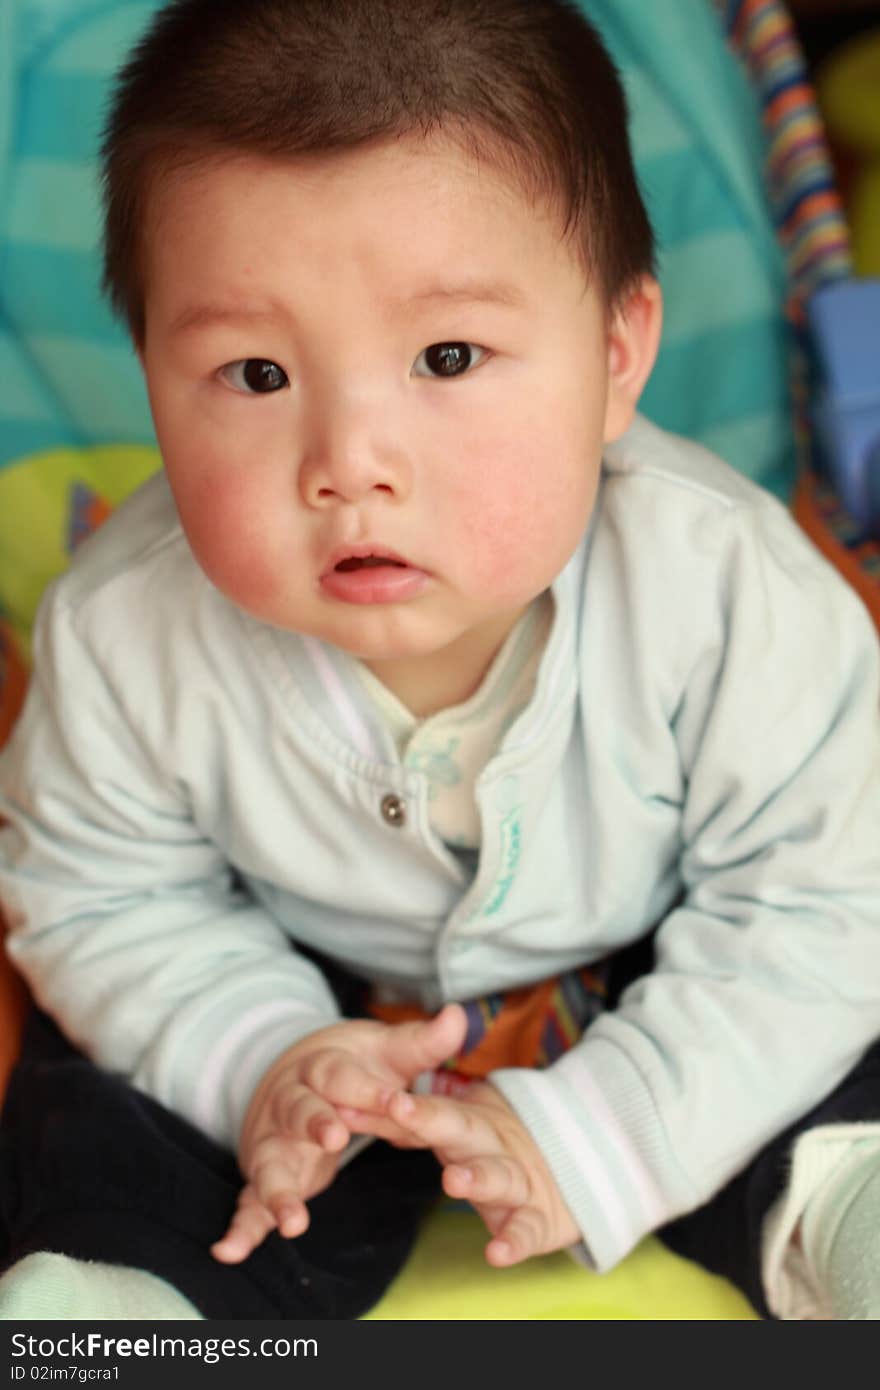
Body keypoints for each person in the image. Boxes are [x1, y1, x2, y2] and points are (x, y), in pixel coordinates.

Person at [0, 0, 878, 1323]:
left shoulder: (732, 593)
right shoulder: (123, 631)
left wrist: (609, 1125)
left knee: (829, 1047)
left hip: (668, 960)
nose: (350, 459)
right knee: (93, 1100)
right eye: (253, 372)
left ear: (615, 355)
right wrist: (264, 1057)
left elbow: (821, 902)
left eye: (449, 357)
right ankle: (113, 1297)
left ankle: (844, 1206)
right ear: (151, 381)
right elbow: (98, 897)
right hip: (300, 987)